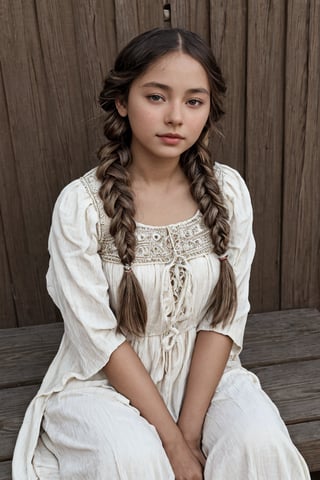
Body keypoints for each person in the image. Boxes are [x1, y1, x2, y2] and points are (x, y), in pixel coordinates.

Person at [12, 27, 310, 480]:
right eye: (156, 97)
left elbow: (222, 319)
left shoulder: (227, 192)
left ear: (208, 110)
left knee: (260, 445)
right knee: (132, 460)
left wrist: (187, 432)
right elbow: (98, 337)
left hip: (204, 377)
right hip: (104, 382)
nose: (176, 117)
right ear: (121, 102)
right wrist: (169, 442)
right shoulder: (81, 206)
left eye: (194, 101)